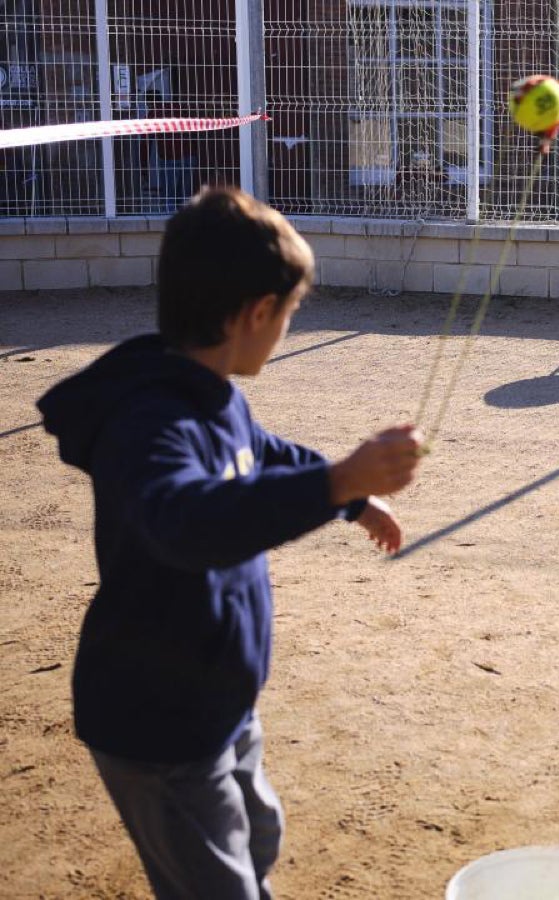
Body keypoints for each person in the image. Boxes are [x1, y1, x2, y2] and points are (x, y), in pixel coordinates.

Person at [36, 186, 422, 899]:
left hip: (217, 703)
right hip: (158, 726)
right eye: (290, 314)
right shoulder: (150, 423)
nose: (288, 329)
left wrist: (351, 497)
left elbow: (266, 454)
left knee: (258, 837)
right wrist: (339, 481)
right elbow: (186, 523)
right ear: (255, 314)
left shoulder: (213, 395)